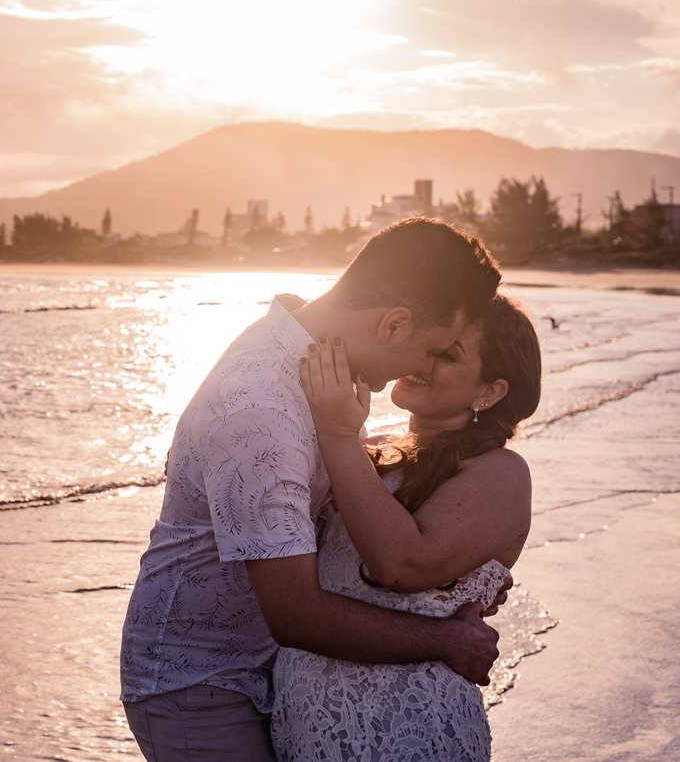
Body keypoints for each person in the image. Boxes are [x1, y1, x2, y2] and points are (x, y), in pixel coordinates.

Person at [120, 218, 504, 762]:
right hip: (198, 682)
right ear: (393, 325)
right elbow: (295, 611)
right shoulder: (261, 407)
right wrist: (446, 640)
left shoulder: (318, 356)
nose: (422, 369)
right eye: (436, 349)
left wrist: (455, 587)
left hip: (268, 668)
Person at [275, 292, 541, 760]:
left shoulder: (501, 471)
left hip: (407, 726)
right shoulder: (370, 447)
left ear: (489, 392)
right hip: (307, 720)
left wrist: (338, 434)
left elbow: (400, 565)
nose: (422, 357)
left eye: (447, 354)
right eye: (429, 341)